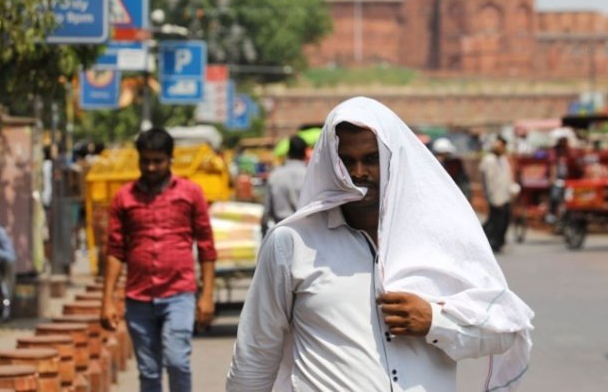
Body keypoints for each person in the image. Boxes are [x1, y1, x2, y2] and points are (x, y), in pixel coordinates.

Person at [226, 97, 533, 391]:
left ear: (392, 159)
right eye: (347, 161)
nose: (359, 173)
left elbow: (504, 330)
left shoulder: (439, 239)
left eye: (371, 159)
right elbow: (255, 353)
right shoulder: (292, 243)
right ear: (330, 163)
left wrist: (435, 322)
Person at [100, 128, 217, 392]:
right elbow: (115, 250)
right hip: (138, 298)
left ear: (169, 159)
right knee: (149, 371)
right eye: (146, 161)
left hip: (179, 294)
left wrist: (207, 295)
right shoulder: (124, 198)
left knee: (177, 361)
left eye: (157, 161)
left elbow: (207, 247)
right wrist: (107, 301)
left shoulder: (190, 193)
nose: (151, 167)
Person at [261, 134, 308, 235]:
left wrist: (264, 231)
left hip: (280, 232)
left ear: (288, 153)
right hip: (306, 234)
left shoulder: (275, 175)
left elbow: (267, 211)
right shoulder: (310, 176)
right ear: (305, 153)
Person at [479, 136, 517, 253]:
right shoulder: (489, 160)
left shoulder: (503, 160)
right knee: (495, 222)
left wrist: (512, 191)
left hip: (505, 196)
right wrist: (494, 199)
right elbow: (490, 181)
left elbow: (508, 178)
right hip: (496, 197)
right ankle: (485, 241)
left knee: (502, 221)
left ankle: (498, 242)